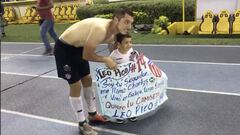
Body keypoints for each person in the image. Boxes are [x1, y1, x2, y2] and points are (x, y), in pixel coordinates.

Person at [54, 8, 134, 135]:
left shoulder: (115, 31)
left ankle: (92, 114)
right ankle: (82, 123)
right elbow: (87, 55)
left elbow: (112, 46)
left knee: (88, 79)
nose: (129, 26)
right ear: (115, 20)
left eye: (131, 23)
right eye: (126, 22)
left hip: (79, 48)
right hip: (65, 49)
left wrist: (118, 60)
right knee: (75, 84)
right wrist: (106, 60)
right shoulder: (100, 29)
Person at [109, 33, 138, 123]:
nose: (129, 45)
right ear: (118, 44)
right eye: (126, 43)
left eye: (130, 42)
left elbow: (135, 63)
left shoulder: (132, 51)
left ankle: (131, 113)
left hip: (131, 80)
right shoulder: (114, 55)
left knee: (131, 96)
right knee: (121, 98)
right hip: (119, 81)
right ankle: (120, 113)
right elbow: (108, 67)